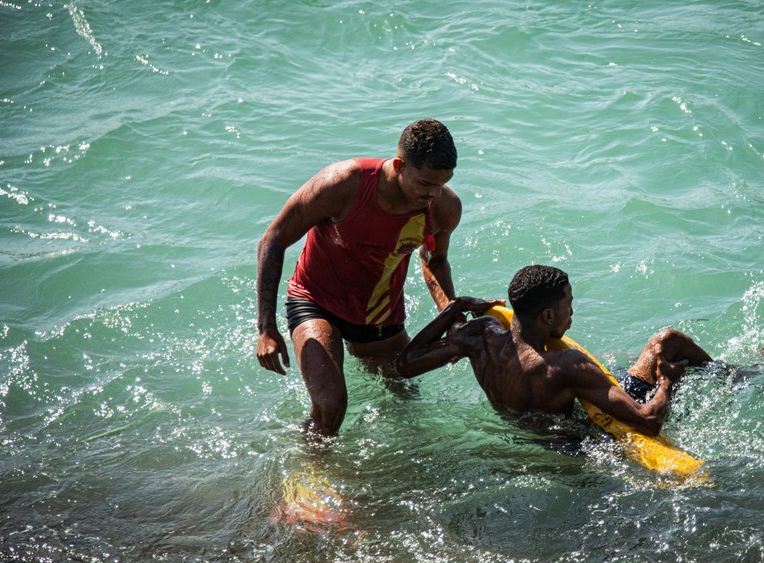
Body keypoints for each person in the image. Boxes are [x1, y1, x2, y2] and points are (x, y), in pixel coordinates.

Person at [256, 119, 462, 437]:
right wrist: (267, 328)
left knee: (406, 403)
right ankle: (311, 473)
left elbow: (435, 261)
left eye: (442, 183)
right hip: (316, 301)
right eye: (425, 184)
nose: (434, 193)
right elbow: (274, 239)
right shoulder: (342, 184)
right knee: (330, 404)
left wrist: (451, 318)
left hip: (380, 315)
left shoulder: (444, 208)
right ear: (398, 165)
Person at [396, 265, 713, 437]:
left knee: (622, 362)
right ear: (548, 316)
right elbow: (648, 420)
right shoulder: (565, 365)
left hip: (530, 433)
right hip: (586, 439)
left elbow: (407, 363)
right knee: (667, 341)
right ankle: (736, 373)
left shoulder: (478, 336)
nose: (572, 312)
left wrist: (457, 308)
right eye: (569, 304)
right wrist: (669, 382)